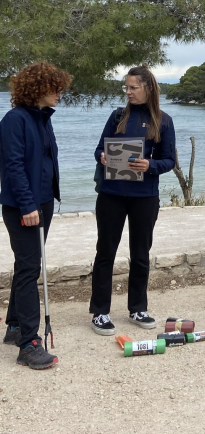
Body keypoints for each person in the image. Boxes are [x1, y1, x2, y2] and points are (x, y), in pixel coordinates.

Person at [89, 65, 176, 335]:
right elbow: (98, 149)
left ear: (148, 88)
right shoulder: (117, 117)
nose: (128, 92)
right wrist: (102, 157)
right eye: (125, 87)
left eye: (133, 87)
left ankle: (137, 308)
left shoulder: (164, 120)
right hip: (111, 195)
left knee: (140, 255)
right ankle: (100, 312)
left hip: (144, 197)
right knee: (105, 253)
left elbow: (169, 160)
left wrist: (149, 165)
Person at [0, 62, 72, 370]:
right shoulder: (14, 120)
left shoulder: (43, 119)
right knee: (31, 270)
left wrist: (41, 203)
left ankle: (15, 326)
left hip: (41, 202)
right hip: (23, 206)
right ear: (37, 88)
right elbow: (13, 166)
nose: (60, 94)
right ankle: (29, 344)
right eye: (55, 88)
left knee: (26, 265)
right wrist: (28, 205)